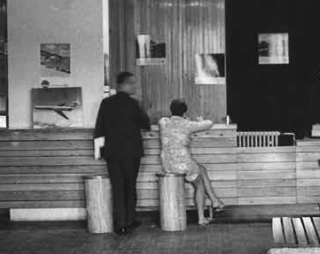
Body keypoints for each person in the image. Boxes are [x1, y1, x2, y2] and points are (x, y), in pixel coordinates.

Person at [94, 72, 151, 235]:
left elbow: (99, 128)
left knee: (118, 187)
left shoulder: (106, 103)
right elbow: (146, 124)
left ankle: (120, 224)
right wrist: (144, 109)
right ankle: (130, 219)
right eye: (132, 83)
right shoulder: (133, 104)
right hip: (131, 152)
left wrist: (98, 152)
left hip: (112, 153)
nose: (134, 86)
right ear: (122, 85)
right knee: (130, 186)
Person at [159, 99, 226, 226]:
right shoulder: (188, 124)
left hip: (167, 164)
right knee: (199, 184)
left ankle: (215, 201)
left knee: (201, 169)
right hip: (183, 164)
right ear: (184, 111)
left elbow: (169, 122)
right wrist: (199, 120)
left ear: (171, 109)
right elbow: (209, 123)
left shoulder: (163, 122)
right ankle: (201, 218)